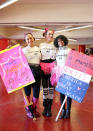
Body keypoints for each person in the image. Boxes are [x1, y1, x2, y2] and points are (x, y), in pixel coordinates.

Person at [51, 35, 72, 119]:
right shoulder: (56, 51)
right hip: (59, 74)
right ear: (57, 42)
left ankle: (68, 111)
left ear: (65, 41)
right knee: (61, 92)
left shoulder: (69, 50)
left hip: (68, 73)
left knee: (69, 93)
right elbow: (55, 62)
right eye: (59, 41)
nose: (60, 42)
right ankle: (63, 110)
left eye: (62, 41)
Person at [22, 33, 41, 118]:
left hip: (37, 70)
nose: (29, 40)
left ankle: (33, 109)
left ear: (33, 38)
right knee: (27, 92)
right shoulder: (23, 50)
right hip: (27, 71)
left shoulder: (38, 48)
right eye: (27, 39)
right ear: (25, 41)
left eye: (30, 38)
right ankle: (29, 110)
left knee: (36, 92)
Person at [39, 28, 56, 117]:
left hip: (52, 65)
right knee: (45, 87)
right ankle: (45, 107)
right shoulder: (41, 45)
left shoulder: (55, 45)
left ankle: (49, 108)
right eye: (49, 34)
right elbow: (38, 56)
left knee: (51, 87)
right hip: (43, 65)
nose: (51, 36)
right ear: (45, 35)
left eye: (52, 35)